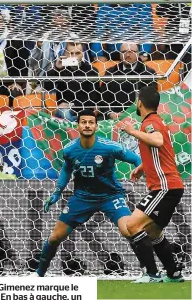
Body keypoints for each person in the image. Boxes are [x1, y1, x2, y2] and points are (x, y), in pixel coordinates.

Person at [36, 110, 143, 277]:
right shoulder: (69, 150)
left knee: (128, 230)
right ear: (78, 126)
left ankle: (147, 270)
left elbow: (136, 159)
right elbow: (66, 169)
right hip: (82, 198)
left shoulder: (109, 147)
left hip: (111, 196)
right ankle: (38, 275)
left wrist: (139, 170)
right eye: (83, 122)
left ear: (96, 126)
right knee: (55, 237)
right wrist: (57, 193)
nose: (87, 125)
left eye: (91, 122)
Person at [121, 86, 185, 283]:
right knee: (154, 232)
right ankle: (173, 274)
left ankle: (151, 274)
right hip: (170, 186)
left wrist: (132, 131)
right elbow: (161, 150)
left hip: (164, 187)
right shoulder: (157, 121)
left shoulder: (150, 123)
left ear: (139, 102)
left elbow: (157, 141)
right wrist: (141, 167)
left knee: (131, 224)